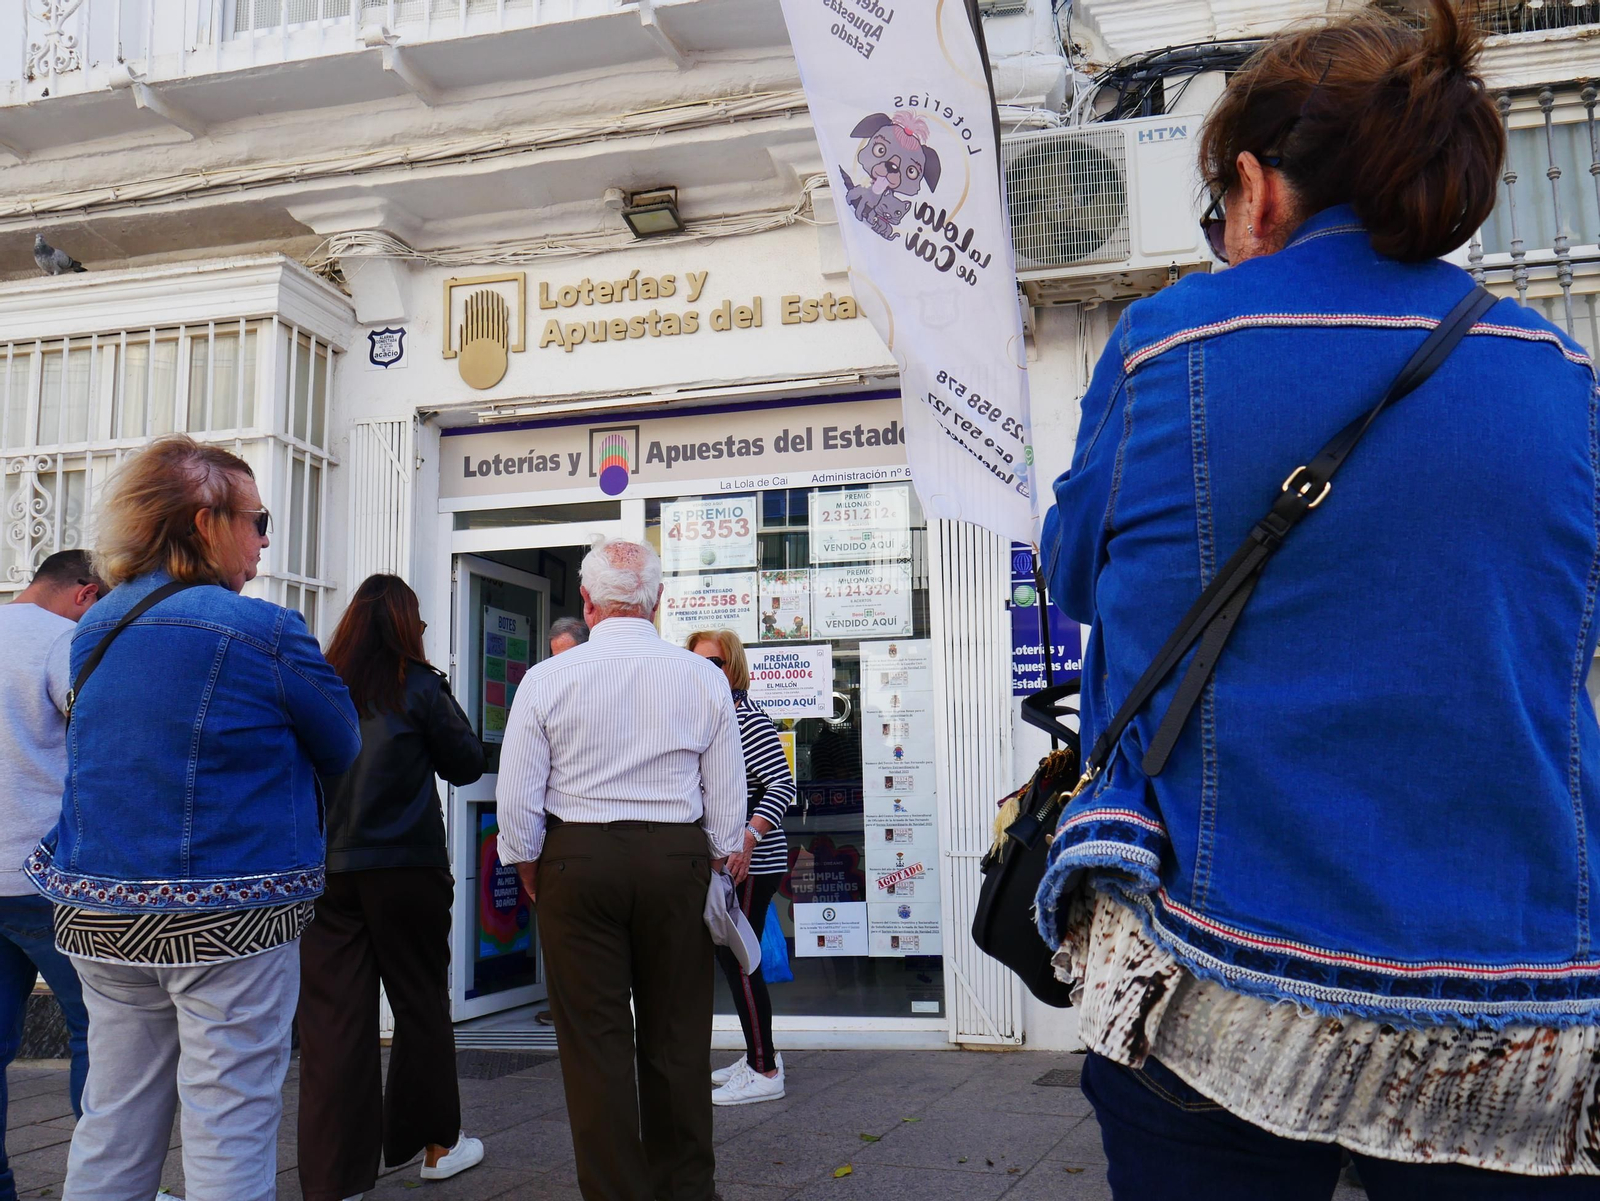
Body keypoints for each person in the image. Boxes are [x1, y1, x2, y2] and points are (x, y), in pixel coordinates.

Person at [1035, 2, 1600, 1196]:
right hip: (1507, 988)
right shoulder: (1559, 373)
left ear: (1254, 184)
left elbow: (1081, 577)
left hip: (1218, 963)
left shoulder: (1165, 345)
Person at [27, 435, 361, 1201]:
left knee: (111, 1120)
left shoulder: (94, 627)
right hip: (229, 916)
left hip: (101, 911)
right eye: (257, 519)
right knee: (230, 1122)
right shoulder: (264, 628)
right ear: (205, 522)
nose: (266, 540)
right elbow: (342, 742)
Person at [496, 537, 744, 1201]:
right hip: (675, 856)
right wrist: (717, 852)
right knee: (677, 1036)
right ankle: (686, 1188)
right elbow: (726, 797)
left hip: (578, 858)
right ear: (657, 600)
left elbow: (517, 791)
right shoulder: (701, 677)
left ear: (586, 600)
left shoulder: (548, 678)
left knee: (595, 1046)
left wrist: (526, 859)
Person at [297, 574, 487, 1201]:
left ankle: (335, 1181)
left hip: (328, 872)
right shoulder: (420, 686)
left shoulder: (320, 683)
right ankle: (436, 1145)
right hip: (407, 868)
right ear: (405, 625)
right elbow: (466, 764)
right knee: (420, 1004)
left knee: (334, 1021)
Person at [0, 551, 102, 1201]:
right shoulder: (61, 640)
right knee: (104, 1033)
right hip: (46, 877)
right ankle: (109, 1186)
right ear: (85, 594)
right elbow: (100, 736)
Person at [685, 629, 795, 1106]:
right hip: (729, 864)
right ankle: (757, 1053)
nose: (705, 672)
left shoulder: (746, 719)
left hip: (752, 862)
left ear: (733, 669)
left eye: (715, 663)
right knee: (734, 962)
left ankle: (765, 1069)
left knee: (741, 962)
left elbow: (783, 787)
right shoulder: (710, 717)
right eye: (696, 664)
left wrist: (748, 840)